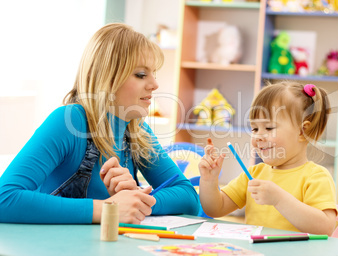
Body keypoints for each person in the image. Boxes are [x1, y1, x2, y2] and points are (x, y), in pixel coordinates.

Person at [0, 23, 199, 224]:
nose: (155, 85)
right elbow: (4, 198)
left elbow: (188, 198)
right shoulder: (69, 121)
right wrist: (108, 209)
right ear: (107, 78)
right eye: (140, 75)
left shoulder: (138, 132)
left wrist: (135, 201)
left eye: (153, 74)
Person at [199, 82, 337, 235]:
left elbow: (325, 228)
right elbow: (215, 208)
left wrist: (279, 199)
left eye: (269, 128)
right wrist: (209, 181)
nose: (258, 136)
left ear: (302, 131)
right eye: (255, 129)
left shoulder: (316, 177)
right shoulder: (253, 174)